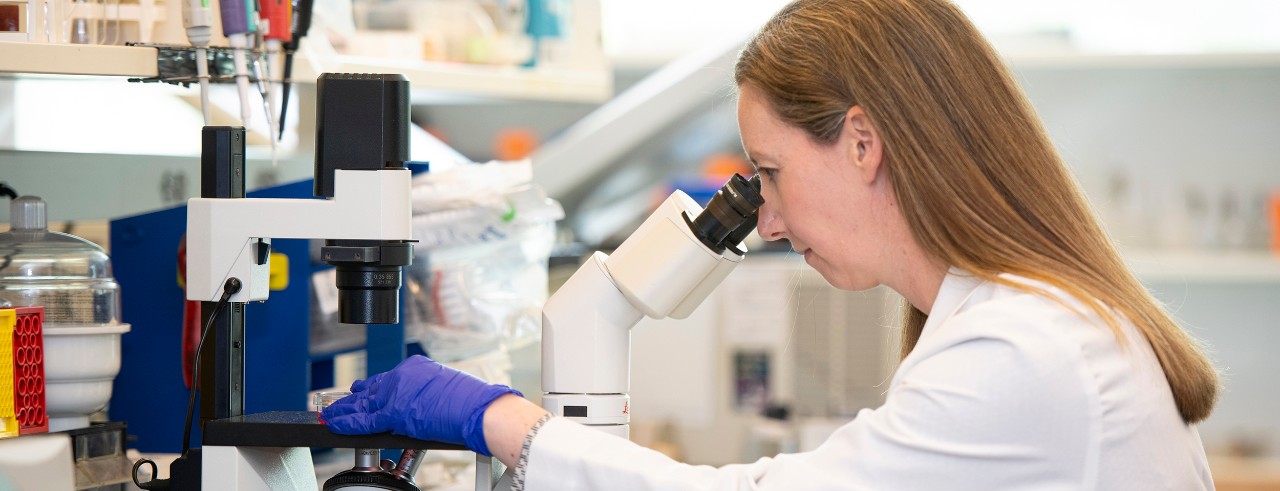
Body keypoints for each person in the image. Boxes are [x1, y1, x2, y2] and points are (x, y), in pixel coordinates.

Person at [320, 0, 1220, 489]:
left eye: (771, 172)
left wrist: (500, 420)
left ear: (863, 142)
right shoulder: (1031, 320)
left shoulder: (1021, 350)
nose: (771, 221)